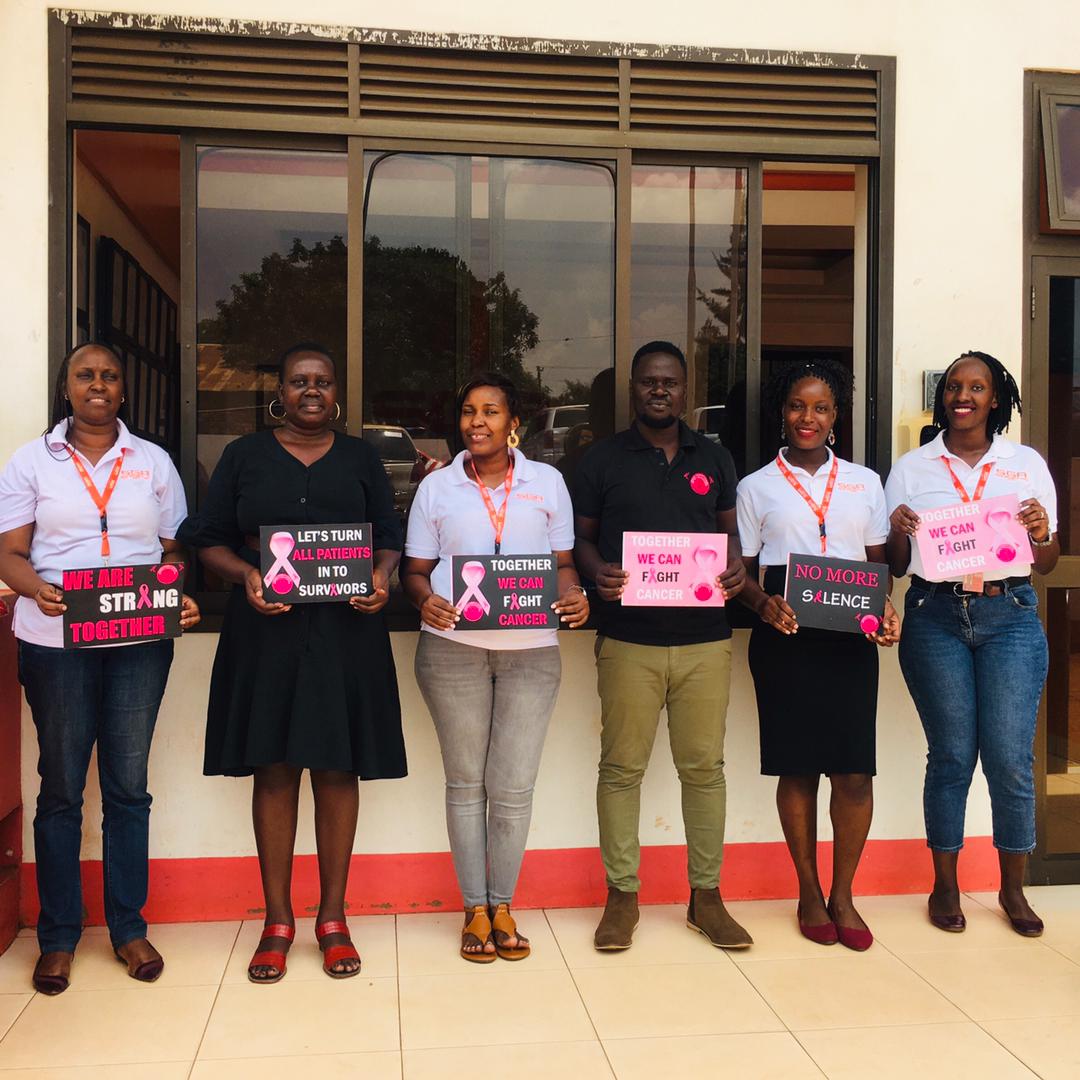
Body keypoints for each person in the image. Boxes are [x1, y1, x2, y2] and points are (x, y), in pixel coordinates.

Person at [178, 343, 405, 982]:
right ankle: (278, 919)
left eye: (323, 381)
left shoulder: (361, 457)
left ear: (337, 394)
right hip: (265, 633)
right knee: (273, 769)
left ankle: (332, 918)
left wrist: (382, 580)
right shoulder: (244, 456)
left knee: (337, 769)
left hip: (345, 634)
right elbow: (207, 537)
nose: (312, 390)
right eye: (300, 380)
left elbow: (388, 538)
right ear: (279, 390)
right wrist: (247, 574)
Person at [0, 342, 200, 994]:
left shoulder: (152, 462)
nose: (99, 384)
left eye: (110, 376)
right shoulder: (32, 461)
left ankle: (127, 925)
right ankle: (58, 934)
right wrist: (35, 589)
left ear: (122, 390)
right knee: (60, 788)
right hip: (55, 643)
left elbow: (174, 549)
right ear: (67, 388)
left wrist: (174, 591)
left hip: (138, 643)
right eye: (86, 374)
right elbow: (9, 554)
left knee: (127, 787)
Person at [403, 372, 588, 963]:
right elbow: (415, 569)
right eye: (467, 412)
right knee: (465, 783)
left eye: (490, 412)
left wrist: (576, 591)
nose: (476, 422)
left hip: (531, 652)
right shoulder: (438, 488)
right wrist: (421, 598)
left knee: (511, 788)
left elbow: (562, 565)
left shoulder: (548, 483)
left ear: (515, 425)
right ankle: (473, 909)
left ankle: (503, 903)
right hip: (452, 648)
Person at [573, 340, 750, 952]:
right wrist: (598, 573)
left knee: (704, 770)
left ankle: (707, 897)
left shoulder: (717, 457)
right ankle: (622, 896)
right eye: (648, 381)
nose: (659, 390)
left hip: (705, 640)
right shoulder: (601, 460)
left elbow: (732, 539)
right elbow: (584, 542)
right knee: (622, 770)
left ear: (687, 392)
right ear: (633, 389)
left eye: (670, 382)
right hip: (629, 640)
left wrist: (734, 572)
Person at [886, 351, 1058, 936]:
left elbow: (1049, 560)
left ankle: (1013, 890)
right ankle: (946, 887)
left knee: (1010, 760)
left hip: (1008, 614)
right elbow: (897, 563)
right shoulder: (913, 467)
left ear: (994, 398)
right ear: (944, 397)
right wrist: (898, 531)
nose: (963, 395)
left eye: (977, 387)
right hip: (935, 616)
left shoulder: (1025, 463)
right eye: (955, 386)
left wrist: (1039, 532)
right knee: (953, 756)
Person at [735, 359, 899, 951]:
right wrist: (762, 605)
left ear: (836, 416)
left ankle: (844, 894)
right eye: (799, 406)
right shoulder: (755, 486)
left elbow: (878, 564)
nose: (809, 417)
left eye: (821, 407)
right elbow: (742, 574)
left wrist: (884, 609)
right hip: (786, 639)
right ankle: (808, 891)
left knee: (854, 769)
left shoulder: (865, 482)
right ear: (783, 411)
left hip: (850, 638)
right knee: (798, 766)